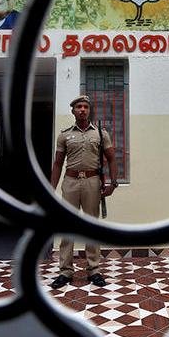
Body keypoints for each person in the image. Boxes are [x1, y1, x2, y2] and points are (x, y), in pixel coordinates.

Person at [49, 95, 118, 289]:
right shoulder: (64, 135)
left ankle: (94, 269)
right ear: (73, 111)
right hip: (70, 182)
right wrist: (50, 189)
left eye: (85, 107)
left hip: (92, 182)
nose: (82, 110)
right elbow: (57, 163)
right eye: (78, 107)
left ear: (89, 111)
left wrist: (113, 183)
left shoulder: (100, 133)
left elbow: (112, 159)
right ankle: (65, 271)